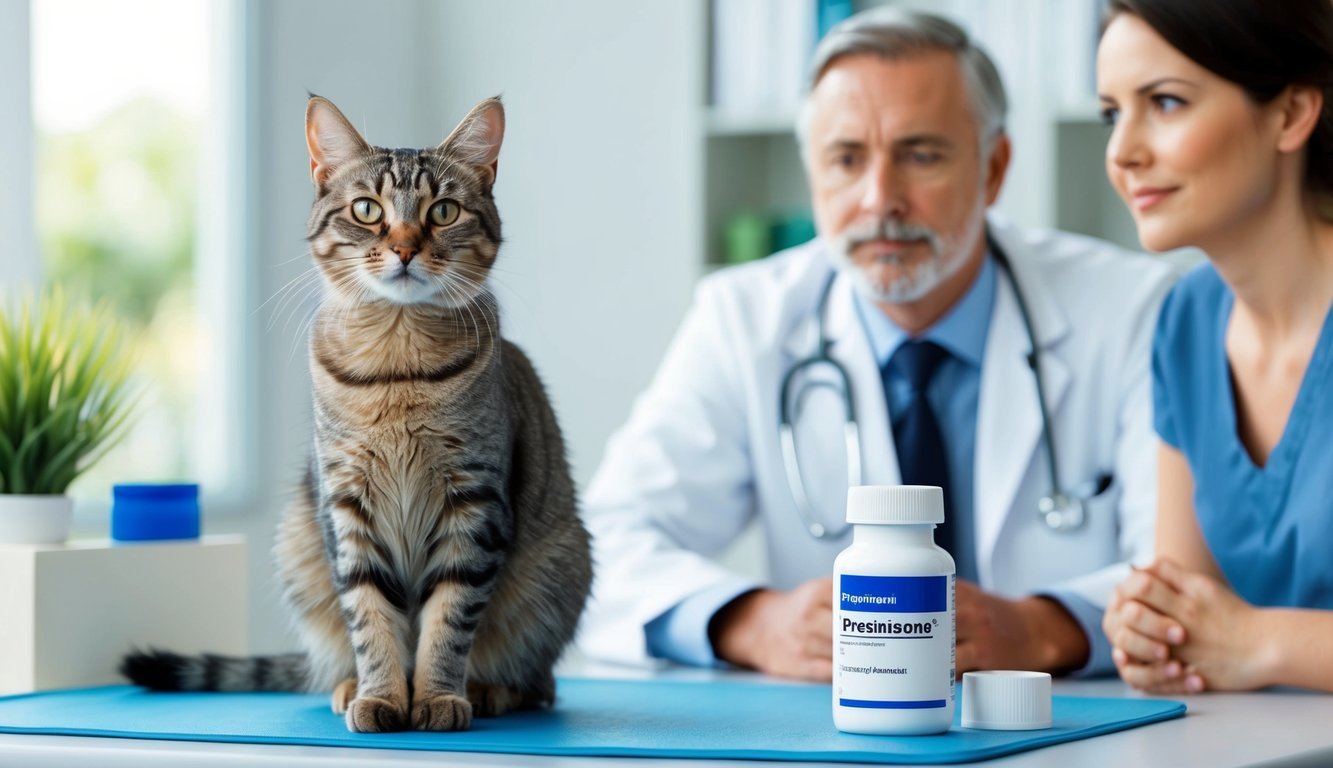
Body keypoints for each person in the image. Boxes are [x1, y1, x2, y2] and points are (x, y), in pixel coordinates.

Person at [579, 8, 1175, 681]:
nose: (879, 198)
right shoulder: (744, 319)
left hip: (1083, 726)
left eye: (920, 155)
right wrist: (749, 623)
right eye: (845, 159)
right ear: (812, 171)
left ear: (993, 168)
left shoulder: (1130, 311)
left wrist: (1048, 628)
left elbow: (1181, 575)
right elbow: (596, 549)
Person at [1098, 0, 1333, 694]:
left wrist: (1262, 643)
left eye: (1165, 103)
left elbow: (1232, 639)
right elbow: (1189, 613)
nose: (1121, 152)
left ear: (1289, 115)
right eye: (1111, 113)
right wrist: (1151, 633)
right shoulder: (1185, 323)